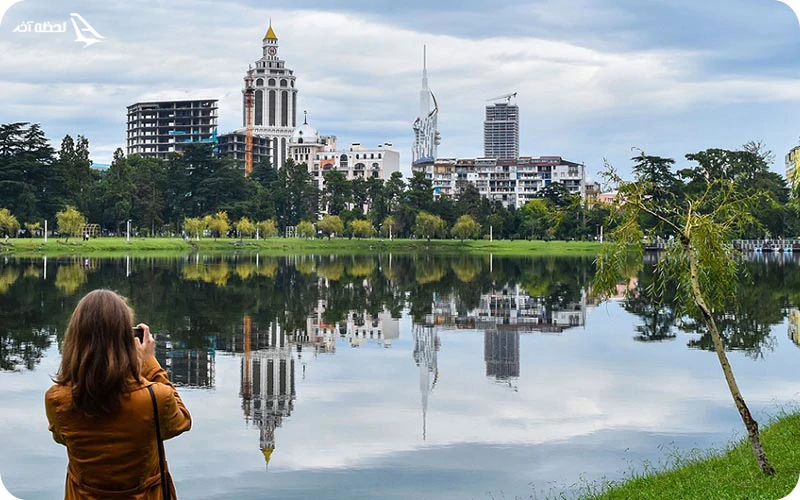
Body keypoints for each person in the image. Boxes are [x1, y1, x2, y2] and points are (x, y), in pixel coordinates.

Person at [45, 290, 192, 499]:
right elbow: (181, 422)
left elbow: (62, 437)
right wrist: (149, 363)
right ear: (127, 340)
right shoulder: (155, 398)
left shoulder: (57, 399)